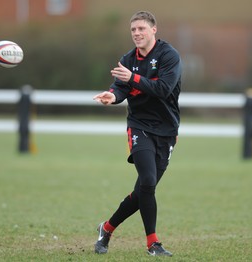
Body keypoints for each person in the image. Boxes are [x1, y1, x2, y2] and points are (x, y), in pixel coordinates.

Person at [93, 10, 182, 257]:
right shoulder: (128, 59)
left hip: (166, 130)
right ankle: (153, 243)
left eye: (141, 29)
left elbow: (163, 89)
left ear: (154, 30)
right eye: (133, 30)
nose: (137, 34)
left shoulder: (168, 56)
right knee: (148, 182)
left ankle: (106, 228)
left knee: (143, 189)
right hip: (139, 127)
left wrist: (132, 78)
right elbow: (120, 86)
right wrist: (112, 96)